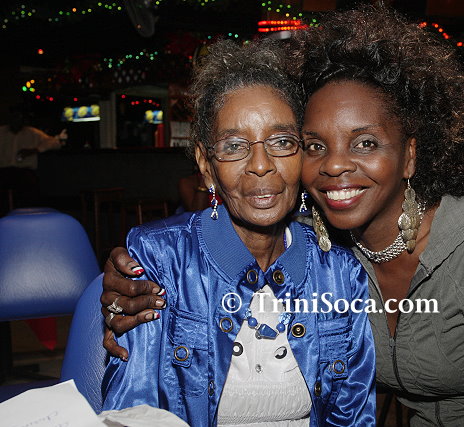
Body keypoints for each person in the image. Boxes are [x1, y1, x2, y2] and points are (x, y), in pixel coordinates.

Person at [101, 7, 464, 426]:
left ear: (410, 156)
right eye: (316, 145)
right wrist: (127, 287)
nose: (335, 165)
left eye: (366, 143)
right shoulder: (325, 244)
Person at [101, 39, 376, 427]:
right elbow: (133, 410)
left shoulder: (340, 273)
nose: (261, 165)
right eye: (234, 146)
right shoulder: (161, 259)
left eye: (282, 142)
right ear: (206, 165)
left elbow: (353, 414)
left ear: (304, 153)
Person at [0, 105, 65, 208]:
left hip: (24, 170)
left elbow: (55, 143)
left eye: (19, 117)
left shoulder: (32, 133)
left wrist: (35, 150)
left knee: (29, 188)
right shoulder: (2, 132)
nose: (16, 120)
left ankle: (28, 211)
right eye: (14, 117)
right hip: (4, 170)